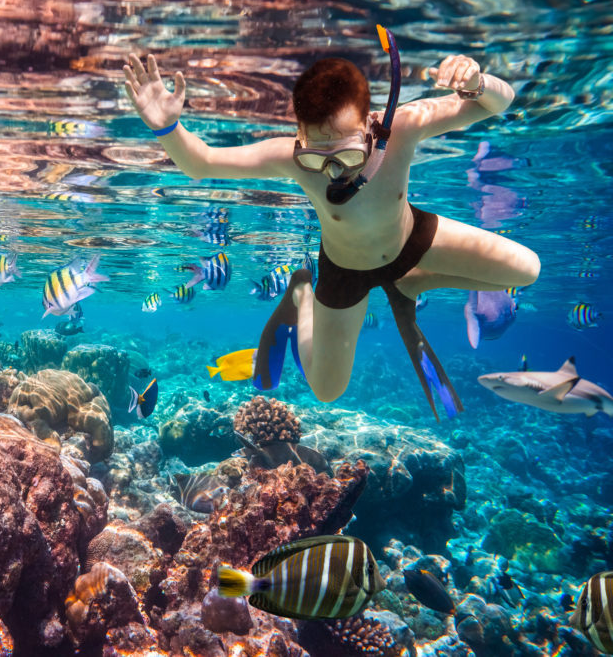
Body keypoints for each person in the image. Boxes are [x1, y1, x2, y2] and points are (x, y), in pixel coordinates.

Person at [122, 33, 540, 420]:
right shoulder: (289, 155)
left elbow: (499, 104)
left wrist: (477, 82)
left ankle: (414, 280)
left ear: (369, 126)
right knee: (326, 390)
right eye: (316, 159)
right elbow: (202, 163)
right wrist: (167, 127)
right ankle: (302, 293)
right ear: (300, 134)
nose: (334, 173)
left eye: (347, 155)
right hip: (344, 270)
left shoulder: (404, 126)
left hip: (413, 240)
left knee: (527, 269)